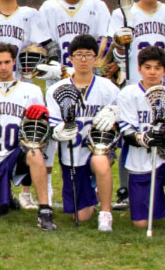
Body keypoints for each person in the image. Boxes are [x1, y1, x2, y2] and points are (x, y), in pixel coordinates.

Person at [0, 45, 57, 230]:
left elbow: (39, 129)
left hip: (18, 153)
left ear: (14, 61)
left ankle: (45, 210)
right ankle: (7, 195)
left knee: (34, 151)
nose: (3, 67)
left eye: (7, 62)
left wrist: (41, 115)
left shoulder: (31, 91)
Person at [109, 46, 165, 234]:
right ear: (139, 69)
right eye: (148, 67)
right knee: (140, 224)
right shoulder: (128, 93)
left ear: (164, 70)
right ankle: (159, 199)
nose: (152, 72)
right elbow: (126, 131)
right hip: (141, 160)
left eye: (157, 68)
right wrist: (143, 138)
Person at [46, 36, 122, 231]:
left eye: (88, 55)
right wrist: (58, 131)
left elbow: (123, 113)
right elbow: (53, 125)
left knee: (101, 161)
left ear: (95, 59)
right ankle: (93, 190)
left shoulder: (108, 88)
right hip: (72, 155)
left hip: (98, 148)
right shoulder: (56, 89)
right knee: (80, 216)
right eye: (79, 55)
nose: (83, 59)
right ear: (70, 59)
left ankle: (105, 213)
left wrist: (115, 112)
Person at [39, 0, 114, 67]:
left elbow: (105, 39)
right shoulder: (48, 7)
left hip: (88, 72)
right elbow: (41, 41)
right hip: (57, 73)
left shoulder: (98, 6)